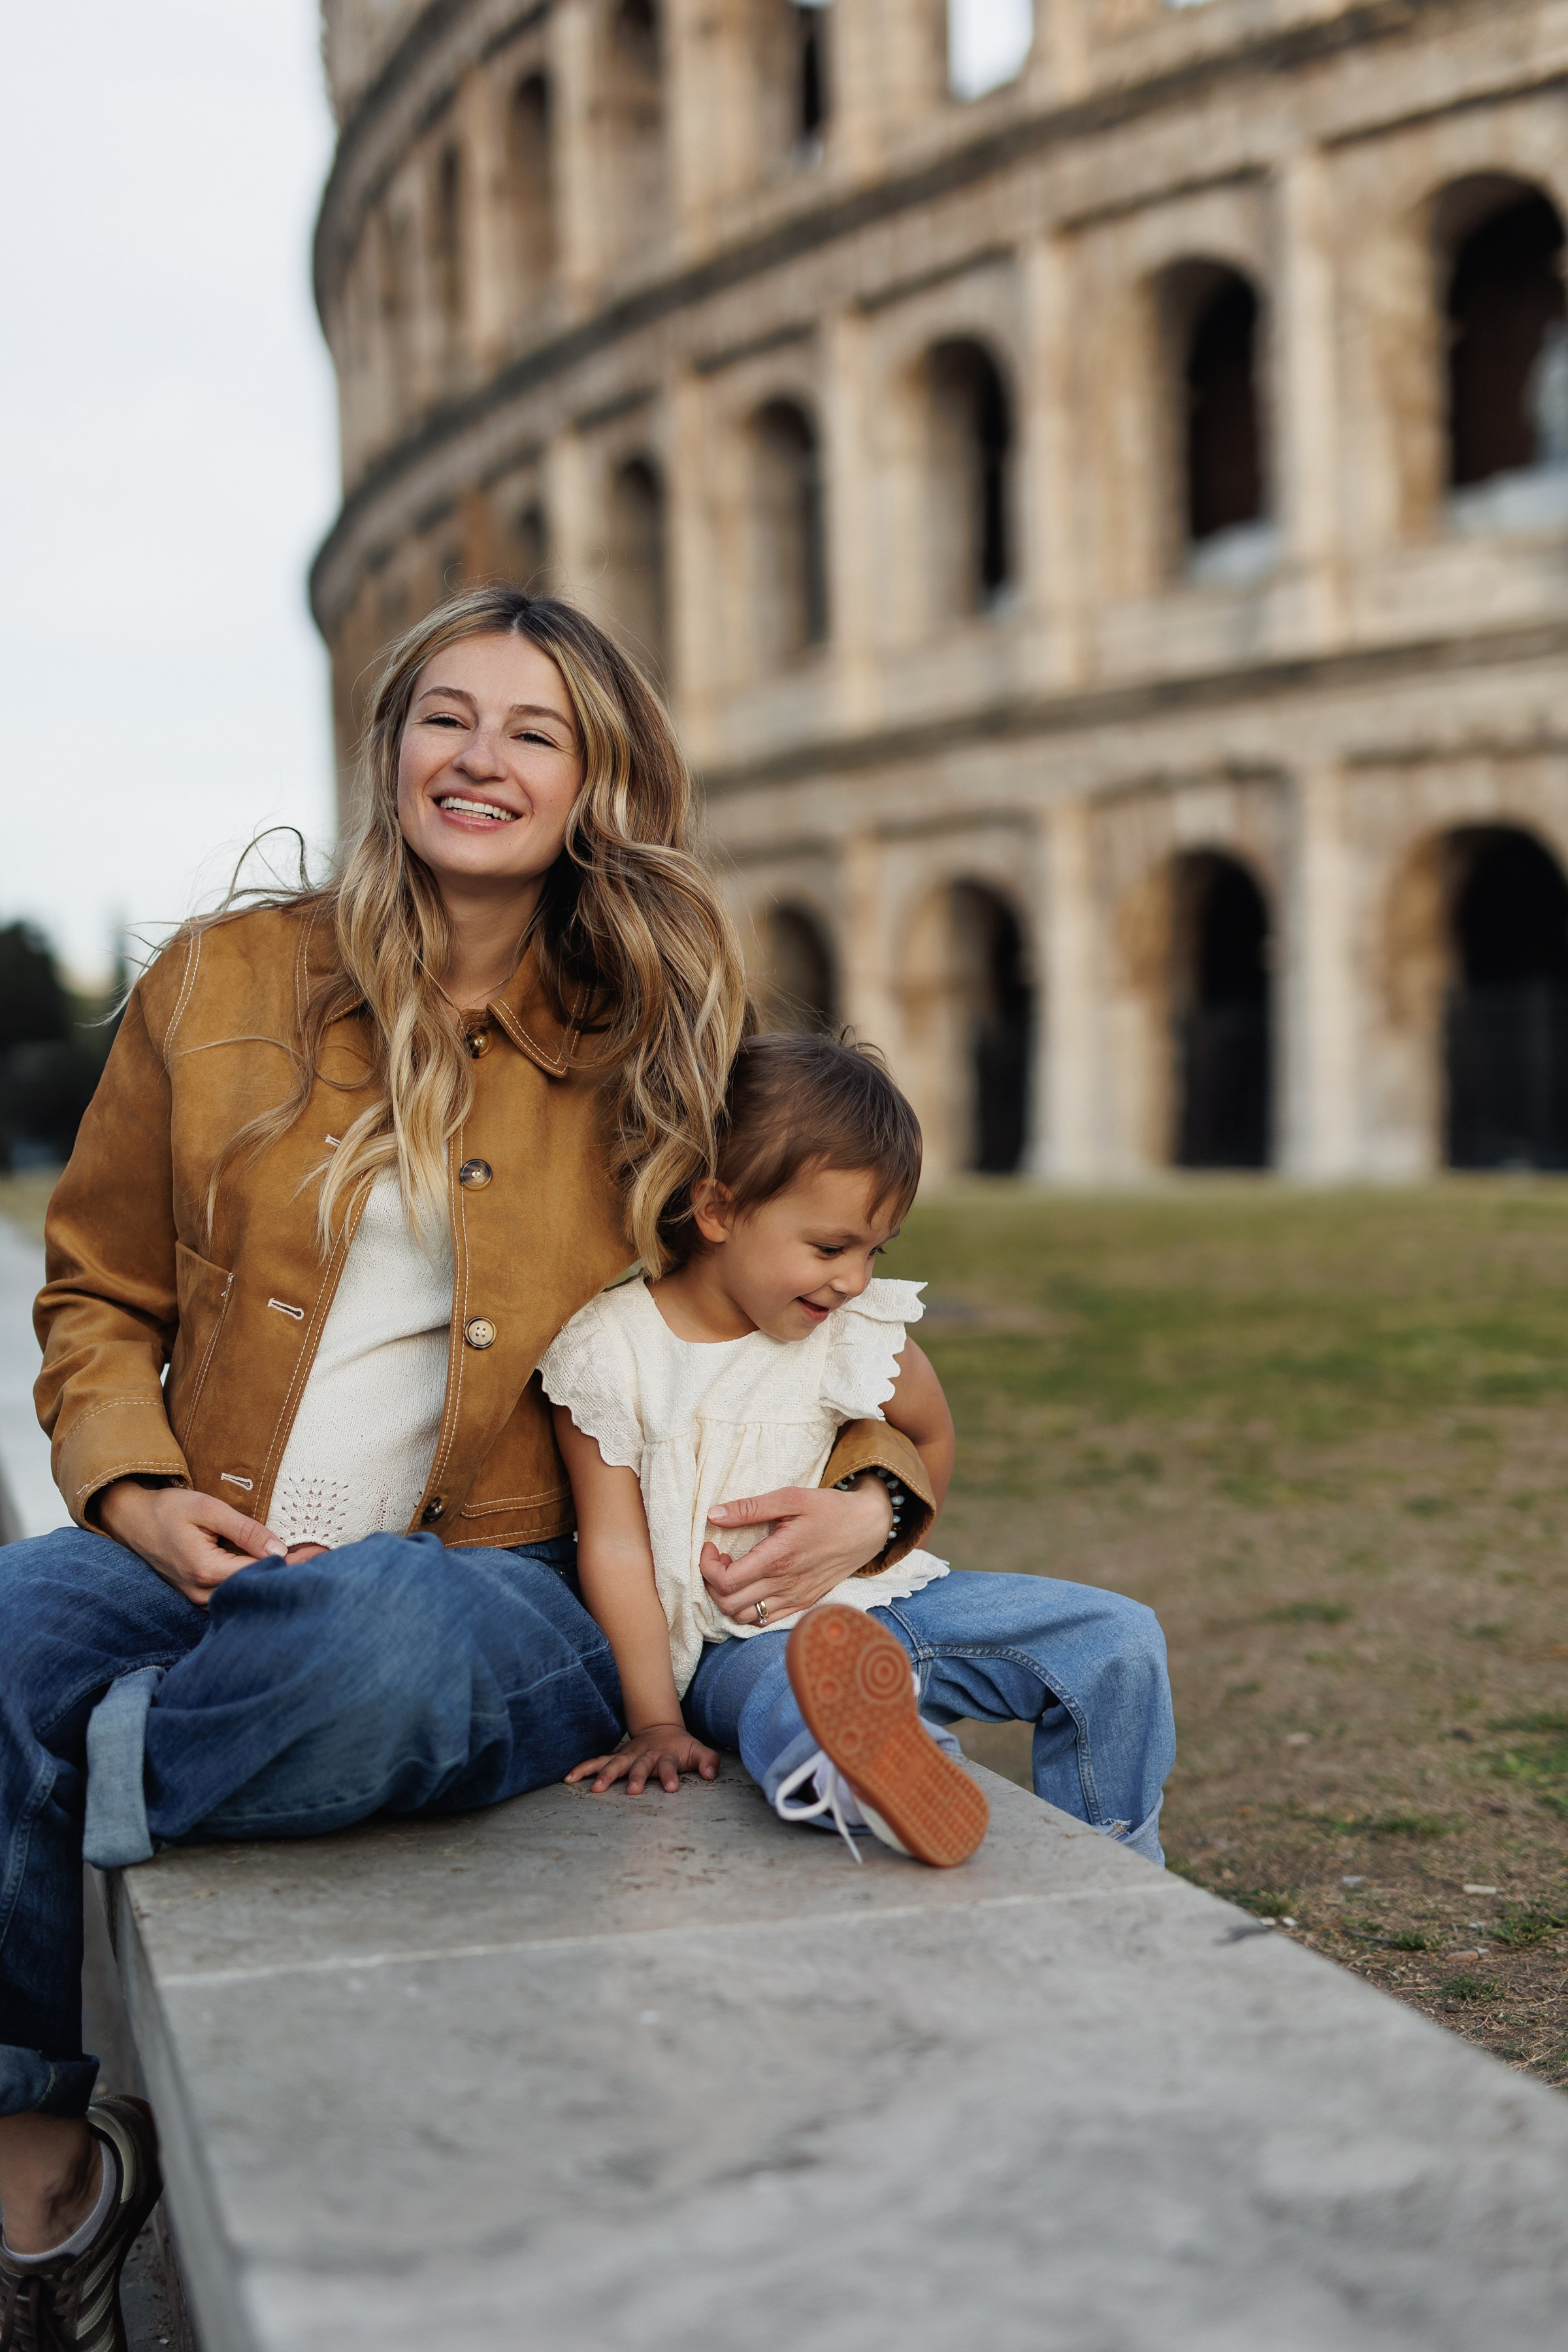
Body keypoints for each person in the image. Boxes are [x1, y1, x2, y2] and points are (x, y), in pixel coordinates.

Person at [0, 587, 1172, 2344]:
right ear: (389, 741)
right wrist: (138, 1492)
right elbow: (95, 1290)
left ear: (593, 782)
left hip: (507, 1584)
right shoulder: (219, 982)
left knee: (375, 1642)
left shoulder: (660, 1037)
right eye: (444, 716)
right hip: (201, 1534)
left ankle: (70, 1782)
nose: (477, 758)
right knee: (22, 1619)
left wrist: (872, 1496)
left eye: (532, 731)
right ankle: (47, 2177)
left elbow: (783, 1291)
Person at [540, 1032, 992, 1866]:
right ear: (716, 1211)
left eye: (873, 1252)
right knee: (792, 1696)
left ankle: (1128, 1848)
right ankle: (893, 1778)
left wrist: (880, 1518)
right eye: (831, 1248)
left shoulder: (850, 1329)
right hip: (735, 1643)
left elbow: (930, 1433)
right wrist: (655, 1723)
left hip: (871, 1605)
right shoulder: (610, 1351)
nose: (855, 1279)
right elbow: (612, 1545)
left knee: (1119, 1634)